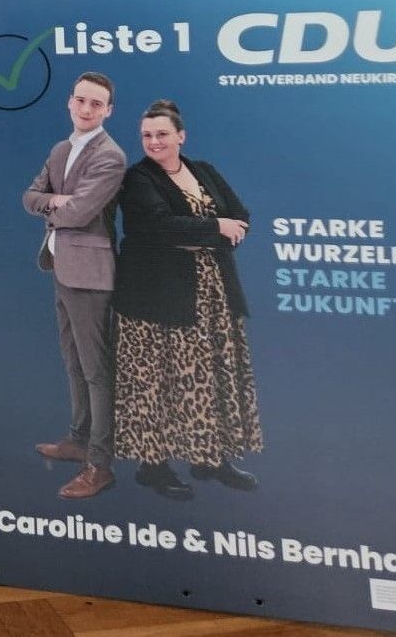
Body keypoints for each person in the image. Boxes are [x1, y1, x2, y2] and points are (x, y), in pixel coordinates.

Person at [113, 99, 262, 500]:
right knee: (156, 380)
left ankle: (210, 459)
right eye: (146, 135)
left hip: (212, 293)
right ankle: (153, 467)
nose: (154, 142)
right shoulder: (137, 179)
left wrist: (213, 231)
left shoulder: (204, 171)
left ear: (181, 136)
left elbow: (241, 214)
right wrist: (216, 227)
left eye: (162, 134)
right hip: (157, 297)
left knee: (210, 375)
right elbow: (158, 227)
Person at [22, 72, 125, 499]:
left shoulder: (110, 156)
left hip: (90, 274)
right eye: (80, 100)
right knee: (73, 362)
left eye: (96, 104)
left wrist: (56, 204)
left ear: (108, 111)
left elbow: (80, 213)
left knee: (97, 370)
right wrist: (55, 201)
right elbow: (29, 196)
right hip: (62, 266)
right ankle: (79, 439)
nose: (86, 109)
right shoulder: (61, 149)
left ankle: (100, 465)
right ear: (69, 102)